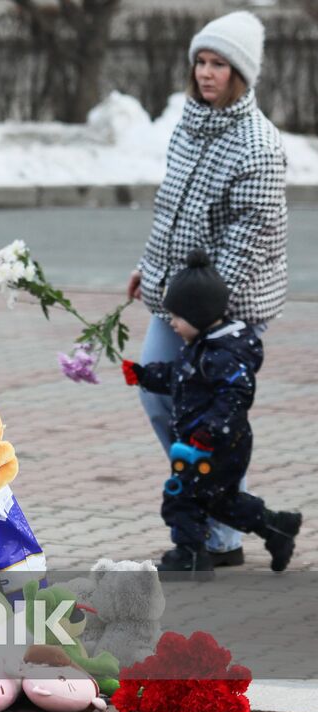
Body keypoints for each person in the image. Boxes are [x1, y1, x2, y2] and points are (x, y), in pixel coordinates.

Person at [128, 10, 288, 567]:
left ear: (241, 73)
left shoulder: (260, 146)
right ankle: (221, 521)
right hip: (178, 299)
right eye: (201, 61)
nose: (206, 73)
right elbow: (170, 216)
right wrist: (149, 268)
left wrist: (202, 316)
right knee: (157, 394)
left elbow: (243, 246)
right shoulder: (188, 126)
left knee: (213, 418)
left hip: (229, 308)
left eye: (219, 63)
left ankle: (218, 536)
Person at [122, 250, 300, 573]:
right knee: (222, 502)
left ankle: (190, 555)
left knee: (181, 495)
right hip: (206, 443)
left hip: (216, 445)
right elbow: (178, 375)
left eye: (177, 317)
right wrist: (144, 374)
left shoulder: (223, 355)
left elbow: (234, 399)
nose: (172, 323)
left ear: (199, 315)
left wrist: (208, 435)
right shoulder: (201, 347)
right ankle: (277, 528)